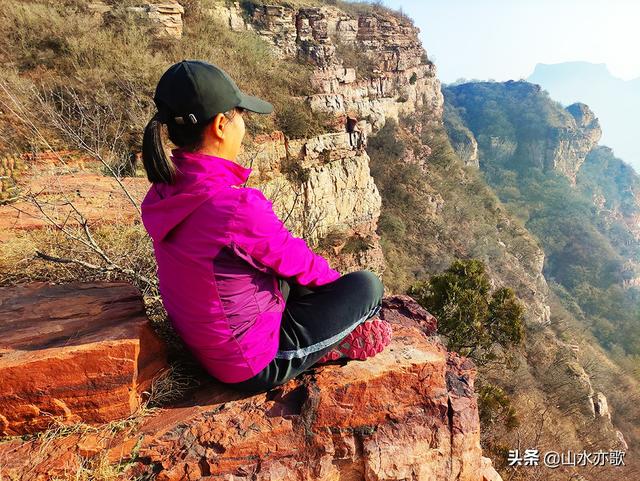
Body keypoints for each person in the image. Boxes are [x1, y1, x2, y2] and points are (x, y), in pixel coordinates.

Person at [139, 60, 393, 394]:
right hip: (251, 364)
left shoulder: (164, 192)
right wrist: (343, 300)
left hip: (206, 345)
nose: (243, 124)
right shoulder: (233, 207)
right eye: (239, 115)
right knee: (367, 286)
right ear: (219, 125)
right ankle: (325, 349)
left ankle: (328, 335)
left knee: (286, 280)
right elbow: (299, 263)